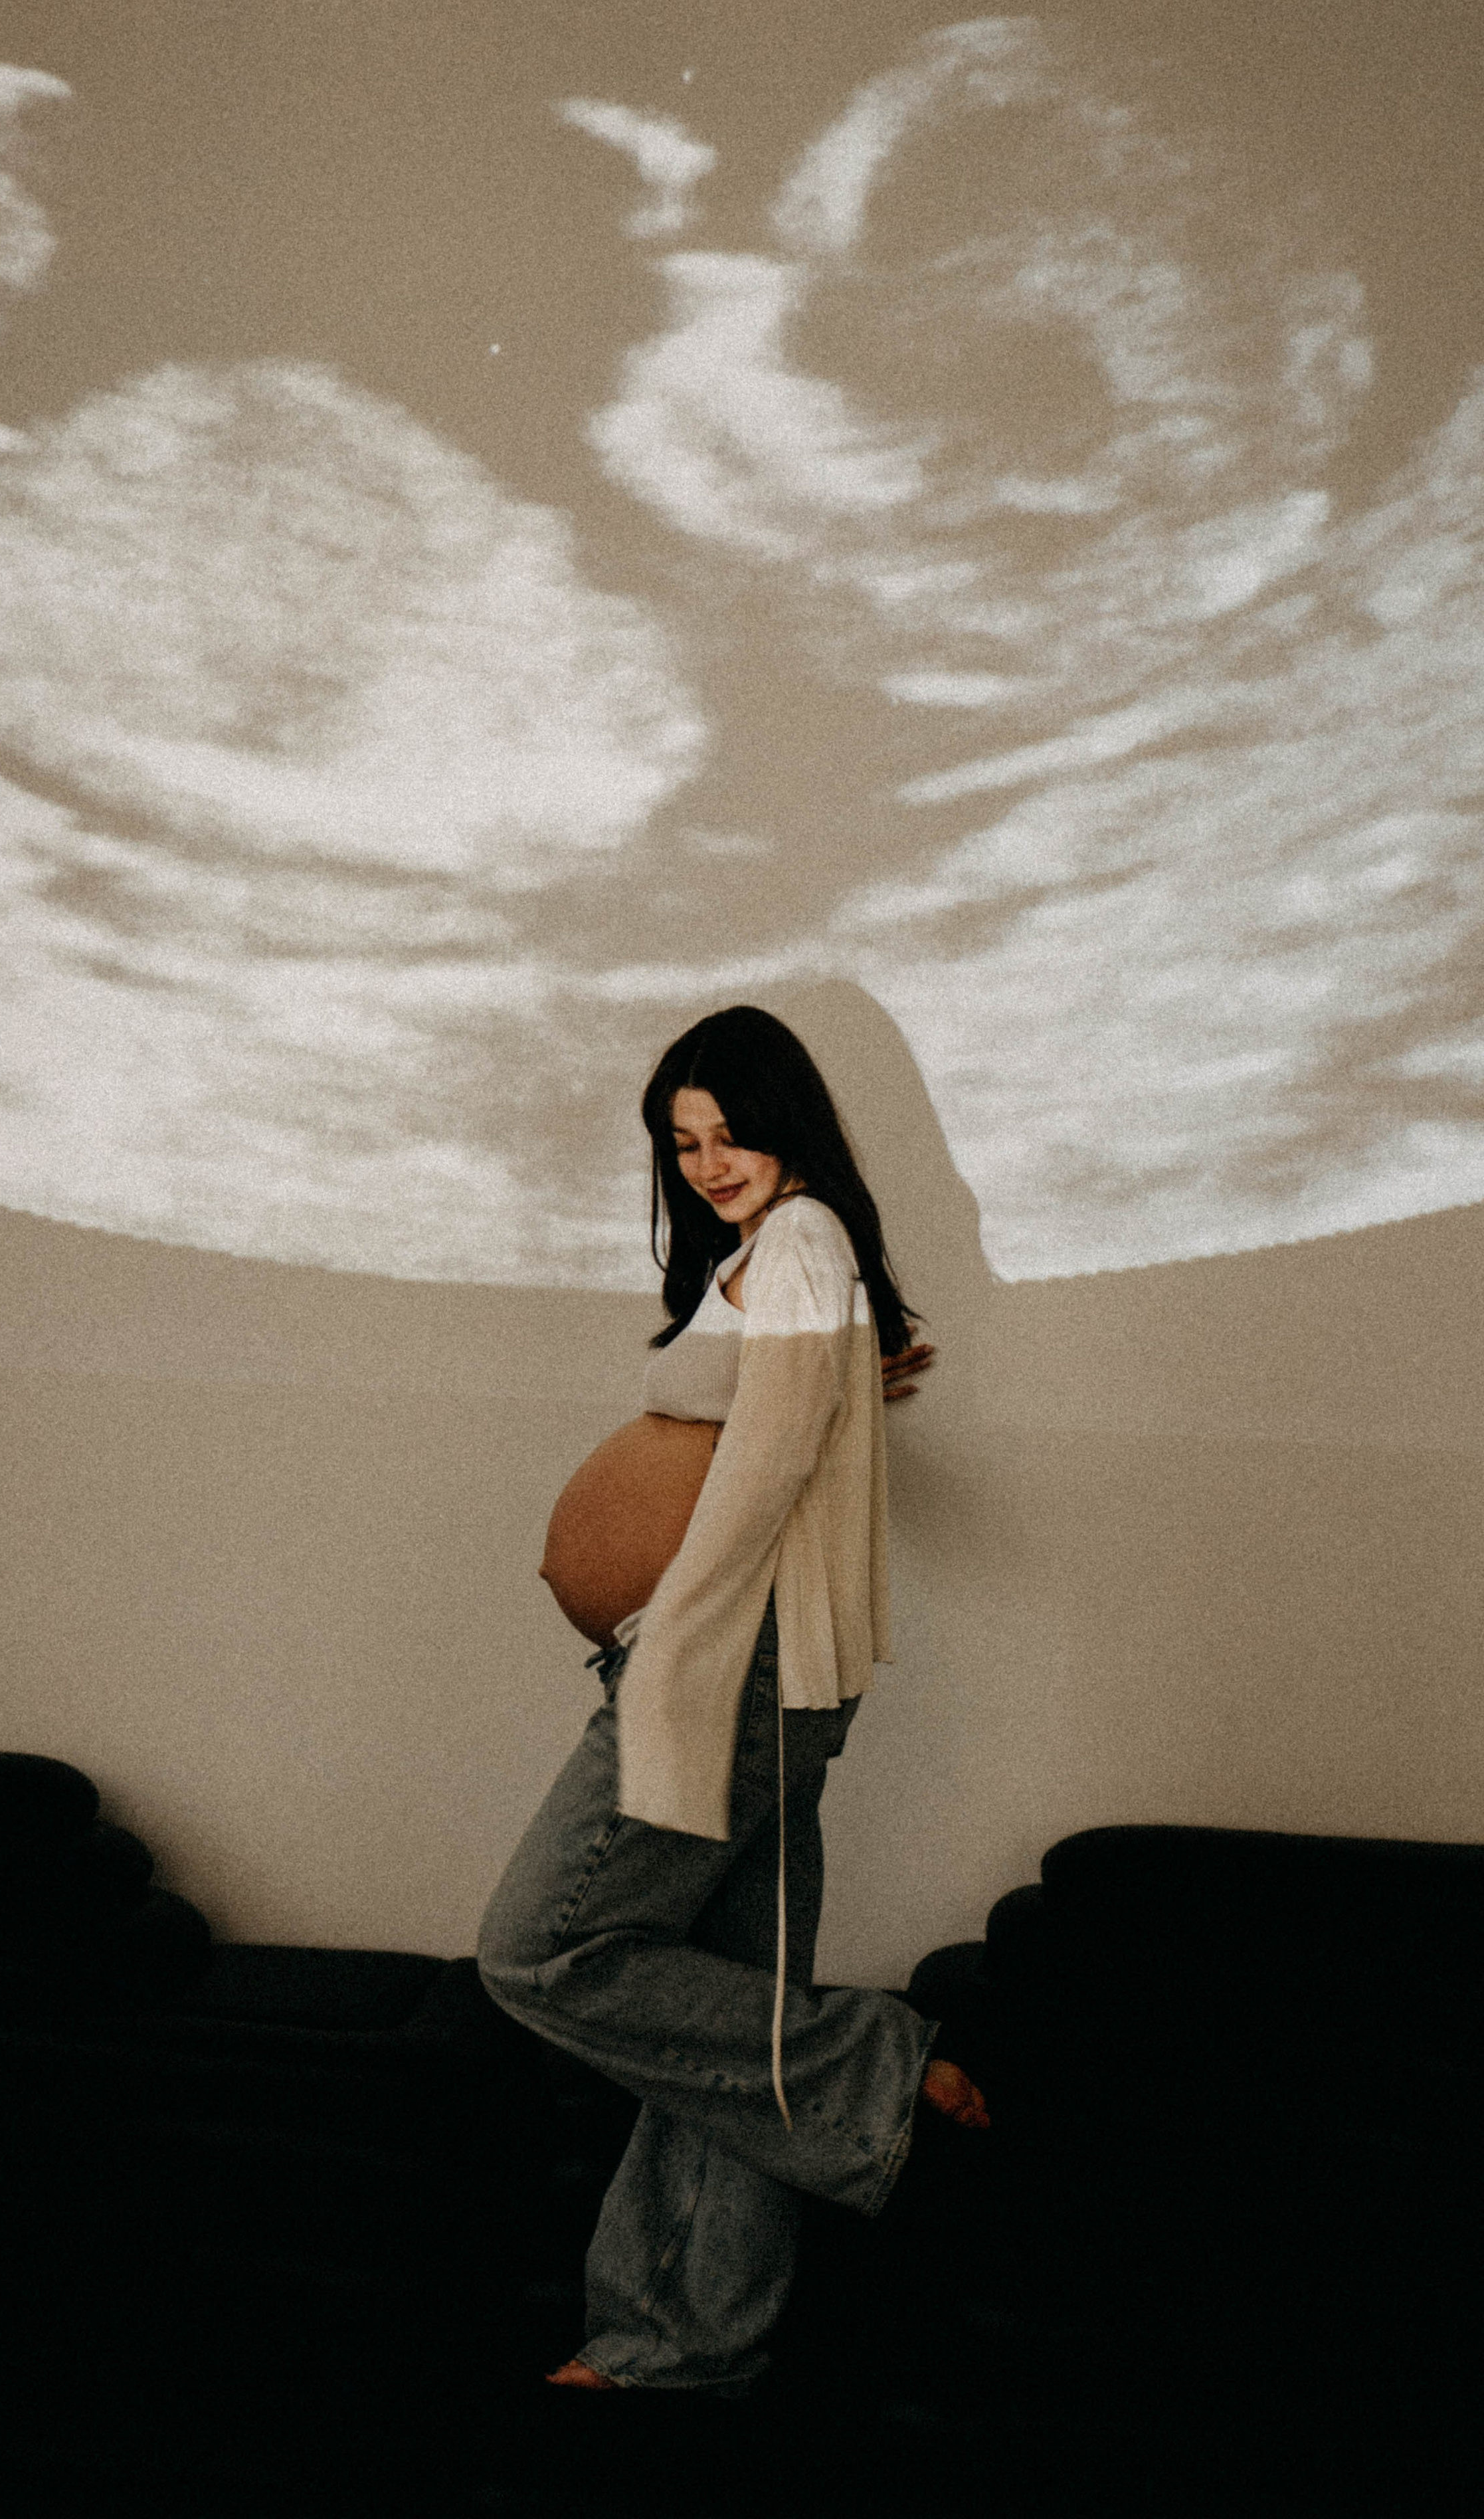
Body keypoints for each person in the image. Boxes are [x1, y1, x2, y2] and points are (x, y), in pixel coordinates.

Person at [476, 1005, 989, 2399]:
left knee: (540, 1950)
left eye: (728, 1131)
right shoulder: (779, 1255)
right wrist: (843, 1386)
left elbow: (758, 1476)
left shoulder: (805, 1238)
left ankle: (874, 2067)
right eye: (681, 1141)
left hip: (729, 1663)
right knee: (724, 2000)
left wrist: (663, 1648)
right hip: (742, 1661)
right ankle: (680, 2345)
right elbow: (783, 1419)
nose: (706, 1162)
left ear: (788, 1122)